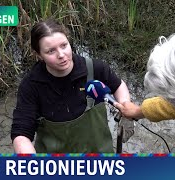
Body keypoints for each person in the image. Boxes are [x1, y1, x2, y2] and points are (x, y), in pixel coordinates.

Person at [11, 19, 131, 153]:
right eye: (51, 51)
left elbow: (118, 85)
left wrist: (125, 107)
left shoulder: (94, 69)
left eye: (64, 45)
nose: (61, 55)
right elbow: (21, 135)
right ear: (39, 55)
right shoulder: (31, 86)